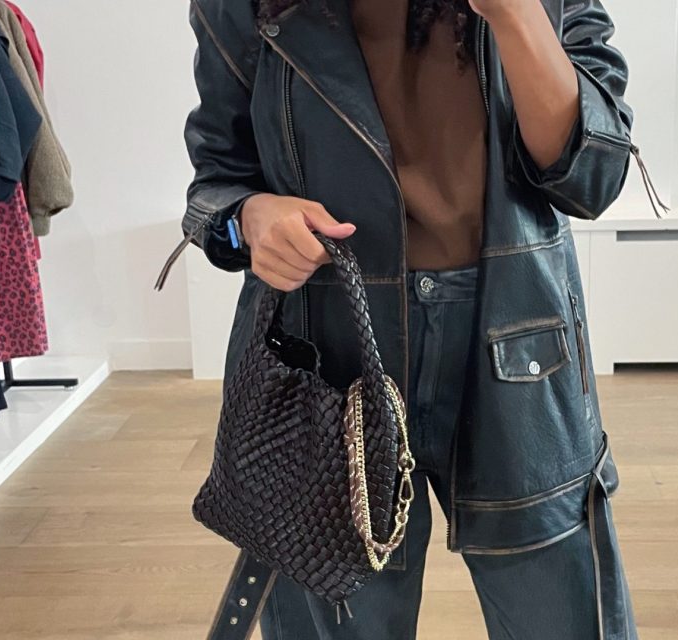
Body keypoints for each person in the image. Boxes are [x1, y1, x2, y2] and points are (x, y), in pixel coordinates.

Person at [183, 0, 640, 637]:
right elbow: (218, 180)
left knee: (558, 611)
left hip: (518, 343)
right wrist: (251, 215)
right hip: (327, 354)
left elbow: (594, 175)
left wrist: (515, 14)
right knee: (341, 613)